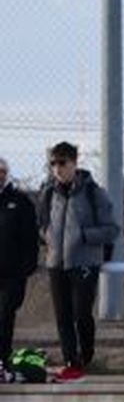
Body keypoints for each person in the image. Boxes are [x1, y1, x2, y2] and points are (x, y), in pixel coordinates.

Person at [38, 141, 119, 381]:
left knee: (81, 313)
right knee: (62, 316)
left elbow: (111, 229)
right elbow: (41, 224)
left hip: (84, 262)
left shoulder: (94, 193)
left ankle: (86, 354)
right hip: (56, 263)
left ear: (74, 163)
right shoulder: (49, 193)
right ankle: (71, 362)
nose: (57, 168)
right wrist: (46, 235)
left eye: (62, 163)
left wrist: (84, 236)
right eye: (53, 164)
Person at [0, 157, 39, 373]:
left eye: (1, 171)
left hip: (12, 275)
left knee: (5, 317)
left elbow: (31, 238)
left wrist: (26, 268)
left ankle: (2, 362)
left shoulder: (20, 202)